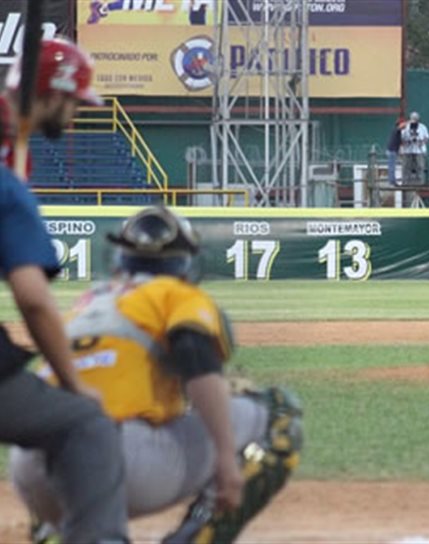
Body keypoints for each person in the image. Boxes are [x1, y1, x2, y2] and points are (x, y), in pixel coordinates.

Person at [10, 206, 304, 544]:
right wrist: (225, 457)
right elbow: (195, 359)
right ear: (185, 263)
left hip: (29, 469)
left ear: (120, 257)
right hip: (111, 462)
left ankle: (53, 533)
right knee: (279, 413)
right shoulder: (175, 294)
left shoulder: (87, 302)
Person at [0, 37, 128, 544]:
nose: (76, 112)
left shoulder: (14, 159)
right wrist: (75, 383)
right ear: (50, 95)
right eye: (74, 100)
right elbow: (33, 299)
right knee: (84, 422)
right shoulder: (10, 183)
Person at [400, 111, 429, 184]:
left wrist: (421, 142)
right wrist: (407, 142)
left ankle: (421, 183)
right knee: (406, 167)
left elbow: (427, 138)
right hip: (407, 150)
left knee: (420, 166)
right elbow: (401, 138)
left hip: (419, 150)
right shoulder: (406, 126)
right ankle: (405, 183)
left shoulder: (423, 127)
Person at [385, 116, 405, 186]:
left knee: (392, 166)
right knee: (392, 167)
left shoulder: (398, 132)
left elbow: (400, 142)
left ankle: (392, 181)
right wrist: (410, 122)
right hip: (392, 151)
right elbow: (400, 127)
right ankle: (392, 181)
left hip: (393, 151)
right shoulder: (396, 130)